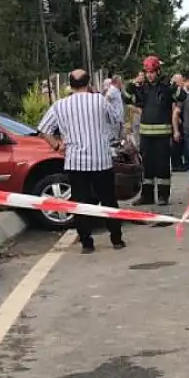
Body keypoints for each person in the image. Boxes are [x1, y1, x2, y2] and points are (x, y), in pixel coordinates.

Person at [37, 68, 126, 254]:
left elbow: (43, 129)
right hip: (101, 160)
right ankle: (116, 239)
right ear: (88, 83)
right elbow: (116, 118)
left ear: (70, 84)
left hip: (75, 162)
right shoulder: (99, 100)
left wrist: (56, 146)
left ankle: (87, 243)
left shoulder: (60, 106)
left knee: (79, 203)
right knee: (108, 200)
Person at [123, 56, 185, 205]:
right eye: (147, 72)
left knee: (163, 166)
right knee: (147, 167)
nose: (150, 75)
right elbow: (126, 99)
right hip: (145, 134)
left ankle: (163, 196)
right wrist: (131, 85)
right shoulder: (142, 87)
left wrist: (172, 86)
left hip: (163, 134)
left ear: (158, 71)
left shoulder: (165, 86)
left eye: (152, 72)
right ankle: (147, 196)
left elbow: (182, 96)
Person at [169, 73, 189, 172]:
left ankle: (178, 163)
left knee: (179, 142)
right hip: (175, 119)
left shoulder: (179, 90)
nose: (182, 82)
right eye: (180, 80)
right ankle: (176, 164)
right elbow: (173, 104)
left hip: (178, 118)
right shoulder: (174, 90)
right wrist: (177, 118)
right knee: (176, 142)